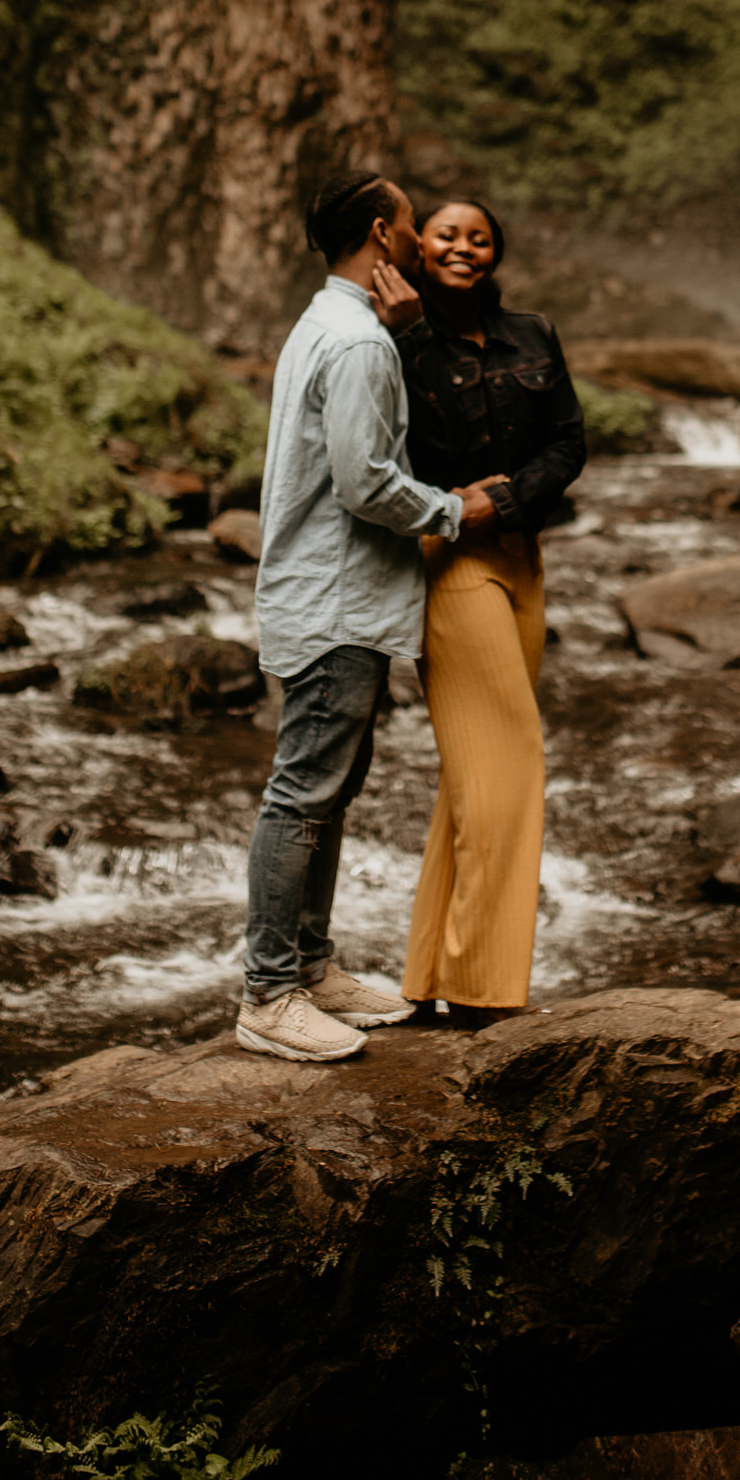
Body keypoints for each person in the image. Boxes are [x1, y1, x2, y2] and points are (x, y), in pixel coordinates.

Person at [240, 171, 504, 1063]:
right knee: (303, 793)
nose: (426, 238)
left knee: (328, 791)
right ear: (386, 236)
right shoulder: (358, 344)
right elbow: (363, 482)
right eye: (413, 226)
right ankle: (269, 992)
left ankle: (310, 967)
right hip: (337, 599)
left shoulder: (335, 324)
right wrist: (451, 511)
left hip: (330, 594)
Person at [375, 197, 586, 1028]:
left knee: (475, 777)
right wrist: (405, 332)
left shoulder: (532, 333)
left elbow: (568, 442)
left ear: (496, 252)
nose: (464, 246)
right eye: (447, 234)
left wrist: (506, 499)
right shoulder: (394, 340)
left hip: (522, 559)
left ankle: (433, 969)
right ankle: (481, 991)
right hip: (448, 562)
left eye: (481, 236)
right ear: (416, 246)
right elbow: (387, 442)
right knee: (512, 761)